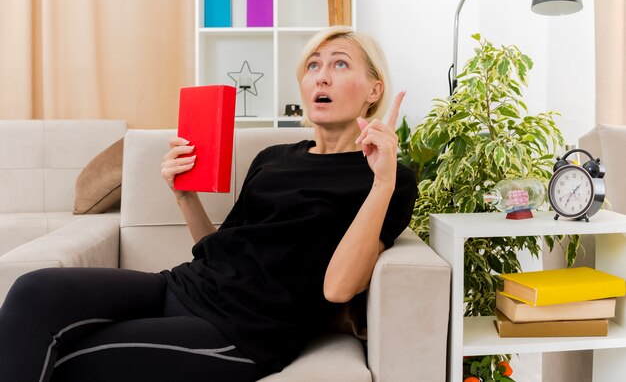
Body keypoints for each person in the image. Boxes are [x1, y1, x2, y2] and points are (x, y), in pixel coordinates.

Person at [0, 26, 417, 382]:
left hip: (240, 329)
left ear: (374, 90)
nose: (321, 78)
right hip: (181, 285)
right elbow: (220, 247)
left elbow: (338, 288)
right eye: (313, 65)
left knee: (68, 360)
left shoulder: (388, 180)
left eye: (339, 64)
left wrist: (381, 182)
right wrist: (184, 195)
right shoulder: (274, 157)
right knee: (33, 290)